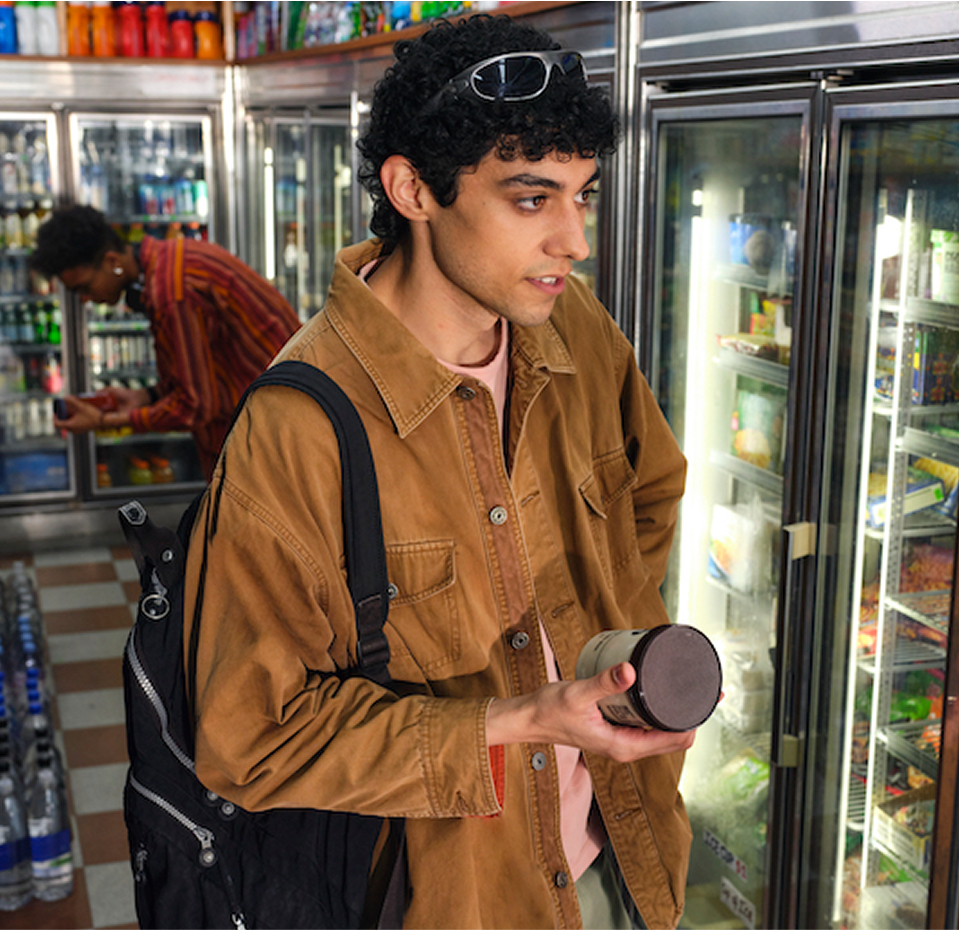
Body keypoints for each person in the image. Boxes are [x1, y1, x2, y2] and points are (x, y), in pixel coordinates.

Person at [186, 14, 693, 930]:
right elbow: (248, 741)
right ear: (413, 190)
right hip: (456, 901)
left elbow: (647, 496)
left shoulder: (573, 328)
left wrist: (607, 660)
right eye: (531, 199)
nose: (574, 240)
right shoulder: (299, 427)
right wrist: (521, 720)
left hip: (624, 859)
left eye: (583, 195)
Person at [29, 205, 299, 478]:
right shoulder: (171, 260)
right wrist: (146, 397)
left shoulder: (171, 294)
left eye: (84, 288)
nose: (85, 299)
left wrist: (105, 421)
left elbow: (194, 407)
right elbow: (208, 369)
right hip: (271, 425)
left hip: (269, 440)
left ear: (113, 262)